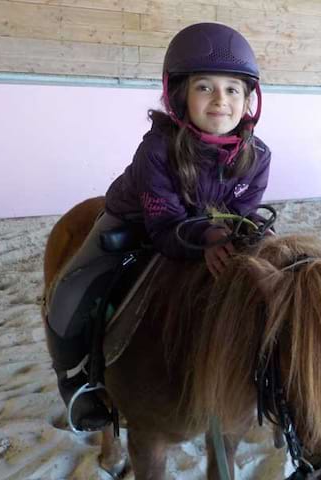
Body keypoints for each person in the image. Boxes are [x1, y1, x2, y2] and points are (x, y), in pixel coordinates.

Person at [44, 23, 271, 431]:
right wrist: (207, 234)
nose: (221, 99)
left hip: (205, 226)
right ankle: (75, 380)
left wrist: (239, 233)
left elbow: (242, 208)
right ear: (179, 94)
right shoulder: (156, 149)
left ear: (248, 99)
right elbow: (164, 222)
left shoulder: (258, 154)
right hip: (137, 219)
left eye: (233, 89)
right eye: (205, 87)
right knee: (71, 290)